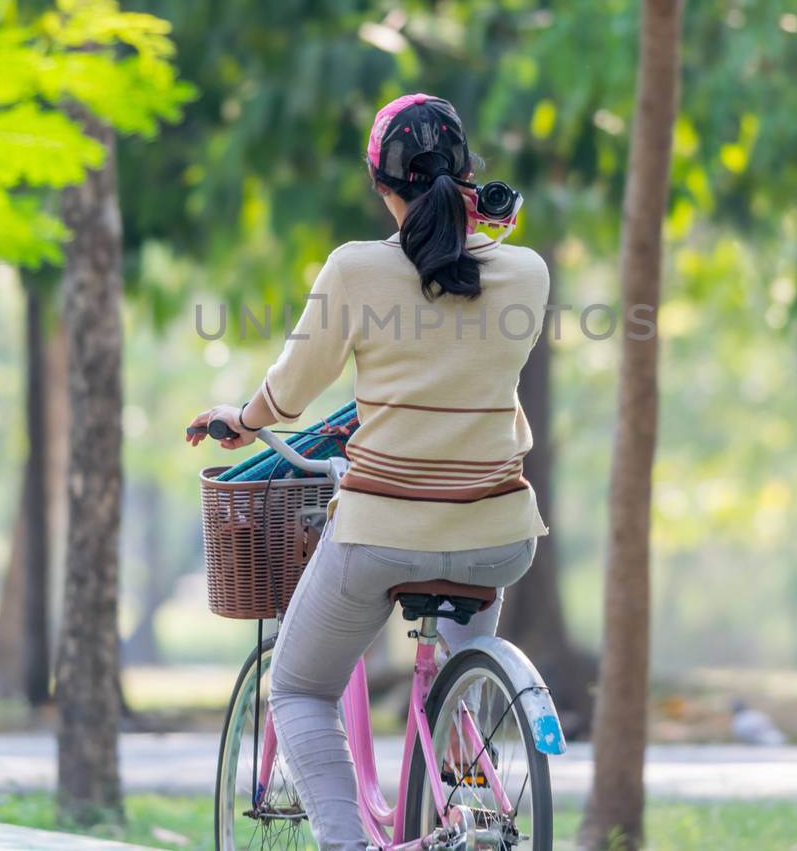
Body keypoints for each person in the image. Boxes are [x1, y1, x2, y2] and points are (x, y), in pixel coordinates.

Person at [187, 93, 550, 851]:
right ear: (468, 176)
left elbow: (289, 389)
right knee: (459, 658)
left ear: (383, 185)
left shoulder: (356, 270)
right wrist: (479, 217)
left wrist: (242, 420)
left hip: (382, 532)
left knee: (296, 686)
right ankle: (470, 799)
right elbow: (466, 304)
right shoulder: (528, 273)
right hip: (498, 535)